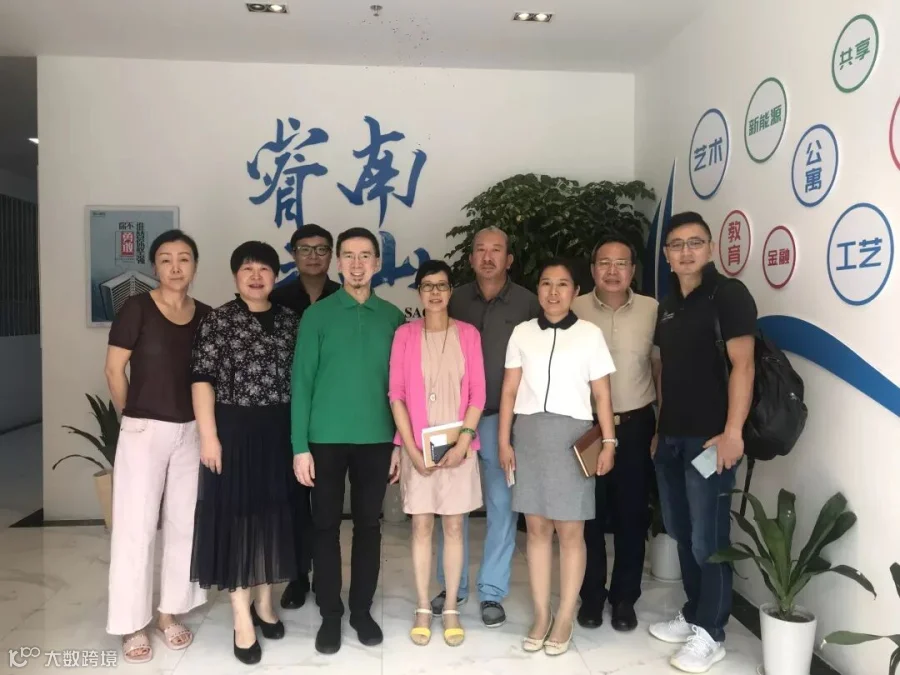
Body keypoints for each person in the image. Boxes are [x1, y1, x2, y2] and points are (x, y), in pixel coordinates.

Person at [649, 211, 756, 673]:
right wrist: (659, 429)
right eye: (676, 245)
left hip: (711, 440)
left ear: (710, 248)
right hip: (672, 438)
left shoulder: (727, 295)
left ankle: (712, 632)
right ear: (667, 255)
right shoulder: (669, 304)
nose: (686, 251)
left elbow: (744, 365)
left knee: (708, 539)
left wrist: (733, 432)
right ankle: (695, 612)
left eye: (695, 242)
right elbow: (666, 371)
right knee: (681, 530)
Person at [291, 227, 405, 655]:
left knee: (369, 527)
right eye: (350, 257)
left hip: (377, 439)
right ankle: (330, 613)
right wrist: (299, 446)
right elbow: (301, 383)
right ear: (338, 263)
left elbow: (403, 388)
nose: (357, 265)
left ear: (377, 263)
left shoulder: (392, 317)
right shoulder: (317, 316)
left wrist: (399, 443)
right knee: (324, 526)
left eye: (365, 256)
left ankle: (360, 610)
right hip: (324, 439)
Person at [498, 258, 617, 656]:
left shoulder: (590, 335)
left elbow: (602, 394)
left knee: (570, 531)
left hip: (573, 438)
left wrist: (610, 442)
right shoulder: (522, 333)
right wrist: (504, 440)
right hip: (530, 436)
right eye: (546, 283)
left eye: (562, 284)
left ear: (575, 291)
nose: (553, 291)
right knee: (536, 529)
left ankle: (565, 615)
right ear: (538, 290)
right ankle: (541, 613)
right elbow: (509, 391)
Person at [189, 241, 300, 665]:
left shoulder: (290, 320)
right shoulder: (218, 321)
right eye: (247, 269)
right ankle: (241, 617)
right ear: (235, 276)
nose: (256, 276)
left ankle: (264, 602)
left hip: (280, 431)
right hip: (233, 431)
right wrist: (208, 436)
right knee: (238, 519)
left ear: (276, 275)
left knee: (273, 515)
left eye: (264, 269)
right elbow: (202, 380)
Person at [105, 230, 210, 664]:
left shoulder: (206, 315)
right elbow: (114, 370)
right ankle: (132, 624)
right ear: (154, 267)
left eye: (184, 258)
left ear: (195, 266)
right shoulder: (137, 308)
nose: (175, 267)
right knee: (136, 526)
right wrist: (134, 415)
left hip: (192, 431)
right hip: (144, 430)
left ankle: (170, 612)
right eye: (166, 259)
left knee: (185, 523)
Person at [431, 226, 540, 628]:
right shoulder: (454, 299)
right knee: (451, 507)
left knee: (501, 507)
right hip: (453, 420)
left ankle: (492, 590)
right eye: (481, 250)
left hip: (501, 421)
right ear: (471, 258)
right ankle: (452, 586)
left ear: (509, 259)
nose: (488, 257)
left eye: (497, 250)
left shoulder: (528, 303)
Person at [388, 259, 486, 647]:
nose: (434, 292)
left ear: (450, 291)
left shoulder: (468, 334)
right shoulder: (405, 334)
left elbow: (478, 395)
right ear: (419, 292)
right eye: (427, 286)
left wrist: (463, 442)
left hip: (458, 447)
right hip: (418, 449)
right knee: (421, 527)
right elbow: (396, 395)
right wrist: (410, 449)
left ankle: (450, 608)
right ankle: (422, 606)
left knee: (455, 527)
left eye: (441, 285)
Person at [571, 236, 660, 632]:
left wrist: (663, 423)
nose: (612, 271)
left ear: (632, 270)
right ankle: (591, 595)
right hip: (586, 428)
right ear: (592, 270)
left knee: (632, 515)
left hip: (636, 425)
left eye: (621, 263)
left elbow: (659, 368)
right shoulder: (573, 308)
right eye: (604, 263)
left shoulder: (652, 310)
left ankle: (624, 598)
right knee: (587, 515)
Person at [269, 224, 341, 610]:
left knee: (326, 504)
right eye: (305, 249)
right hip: (286, 412)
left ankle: (326, 575)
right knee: (292, 501)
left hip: (330, 415)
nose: (313, 256)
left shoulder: (343, 297)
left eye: (321, 249)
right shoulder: (277, 298)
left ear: (332, 255)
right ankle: (297, 577)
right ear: (293, 254)